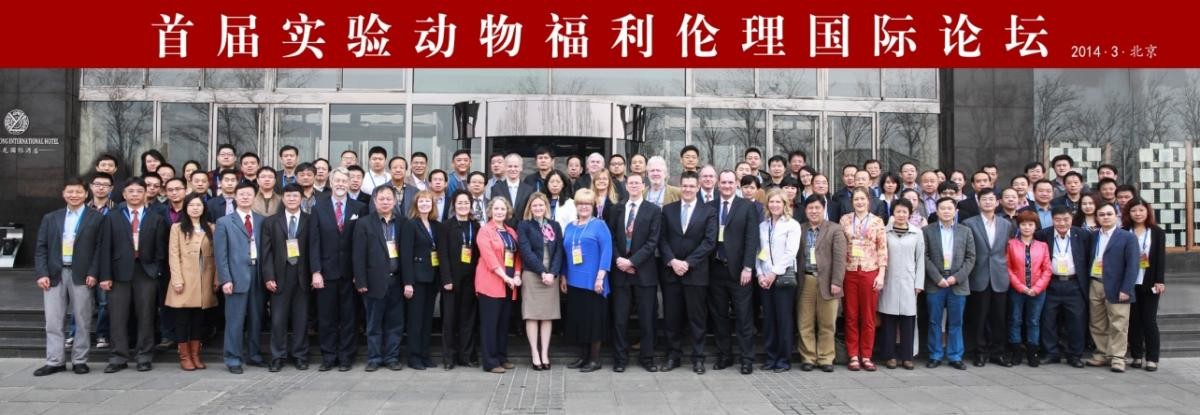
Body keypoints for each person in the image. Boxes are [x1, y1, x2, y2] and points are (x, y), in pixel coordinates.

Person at [33, 178, 104, 376]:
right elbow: (41, 248)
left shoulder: (96, 218)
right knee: (53, 321)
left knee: (82, 319)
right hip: (55, 274)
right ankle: (55, 361)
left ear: (86, 194)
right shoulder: (51, 218)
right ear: (63, 194)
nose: (74, 195)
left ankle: (80, 360)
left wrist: (93, 272)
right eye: (70, 192)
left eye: (78, 192)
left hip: (82, 274)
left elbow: (99, 249)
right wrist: (42, 273)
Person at [99, 178, 168, 373]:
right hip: (119, 272)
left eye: (139, 191)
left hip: (146, 272)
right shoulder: (112, 216)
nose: (135, 194)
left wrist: (156, 270)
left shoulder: (156, 217)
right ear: (124, 194)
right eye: (131, 191)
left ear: (146, 193)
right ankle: (118, 357)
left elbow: (161, 249)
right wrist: (105, 275)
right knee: (118, 316)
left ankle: (144, 356)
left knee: (146, 315)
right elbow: (105, 248)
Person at [658, 171, 717, 374]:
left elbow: (709, 242)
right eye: (685, 186)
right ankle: (672, 356)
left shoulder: (708, 211)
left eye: (692, 186)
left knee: (697, 319)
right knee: (671, 319)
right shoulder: (668, 210)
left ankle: (698, 358)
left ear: (698, 187)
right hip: (671, 273)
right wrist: (673, 261)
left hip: (696, 273)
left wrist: (688, 263)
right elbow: (661, 239)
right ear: (680, 186)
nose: (688, 189)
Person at [309, 167, 367, 371]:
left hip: (351, 273)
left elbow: (362, 243)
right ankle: (328, 356)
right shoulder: (319, 207)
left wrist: (360, 274)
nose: (341, 184)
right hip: (326, 272)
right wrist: (316, 271)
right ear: (330, 183)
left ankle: (346, 357)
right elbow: (313, 242)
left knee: (349, 317)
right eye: (337, 181)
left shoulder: (359, 208)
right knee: (326, 317)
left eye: (345, 180)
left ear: (350, 182)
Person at [607, 174, 662, 373]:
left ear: (644, 186)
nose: (634, 186)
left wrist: (632, 261)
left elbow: (652, 241)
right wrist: (620, 261)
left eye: (637, 183)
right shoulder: (617, 209)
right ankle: (620, 358)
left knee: (647, 318)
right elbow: (610, 238)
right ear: (626, 186)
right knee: (620, 319)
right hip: (621, 272)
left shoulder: (654, 210)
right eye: (630, 183)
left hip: (644, 273)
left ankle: (647, 357)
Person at [708, 170, 760, 374]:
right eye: (724, 182)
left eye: (731, 182)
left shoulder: (746, 206)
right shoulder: (709, 206)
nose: (727, 186)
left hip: (739, 271)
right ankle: (724, 356)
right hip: (715, 269)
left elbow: (751, 238)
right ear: (718, 185)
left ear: (736, 184)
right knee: (719, 316)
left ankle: (747, 358)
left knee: (743, 316)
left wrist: (748, 267)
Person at [352, 186, 407, 372]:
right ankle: (374, 358)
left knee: (395, 323)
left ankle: (391, 357)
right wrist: (360, 281)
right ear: (374, 201)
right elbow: (358, 255)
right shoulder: (364, 223)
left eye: (388, 199)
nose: (385, 202)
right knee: (373, 323)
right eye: (381, 199)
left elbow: (406, 255)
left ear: (394, 201)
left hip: (397, 281)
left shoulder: (402, 222)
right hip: (373, 281)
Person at [213, 182, 266, 374]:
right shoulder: (224, 222)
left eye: (249, 194)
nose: (245, 197)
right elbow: (221, 254)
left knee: (256, 318)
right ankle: (233, 358)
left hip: (258, 275)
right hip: (235, 277)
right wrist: (225, 279)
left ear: (254, 197)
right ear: (235, 197)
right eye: (241, 194)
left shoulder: (261, 220)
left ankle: (254, 354)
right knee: (235, 320)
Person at [562, 189, 613, 373]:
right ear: (576, 205)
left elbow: (607, 251)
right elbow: (565, 253)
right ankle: (582, 357)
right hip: (574, 281)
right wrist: (563, 275)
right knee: (579, 320)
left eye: (587, 204)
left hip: (594, 282)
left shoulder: (600, 225)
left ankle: (594, 359)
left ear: (593, 206)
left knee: (594, 321)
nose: (584, 207)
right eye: (580, 203)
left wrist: (601, 277)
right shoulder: (570, 227)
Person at [165, 193, 218, 371]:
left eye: (199, 205)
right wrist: (177, 280)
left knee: (198, 320)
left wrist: (216, 279)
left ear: (204, 208)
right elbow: (173, 255)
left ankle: (196, 355)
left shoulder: (211, 227)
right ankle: (185, 356)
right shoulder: (177, 228)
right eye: (191, 205)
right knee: (182, 319)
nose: (195, 208)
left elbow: (216, 256)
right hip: (184, 279)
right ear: (186, 208)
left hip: (205, 279)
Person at [261, 184, 311, 372]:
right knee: (278, 319)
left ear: (301, 198)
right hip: (279, 276)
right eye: (288, 196)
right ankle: (277, 356)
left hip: (302, 275)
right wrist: (268, 276)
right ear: (283, 199)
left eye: (295, 196)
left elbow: (313, 249)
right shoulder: (271, 222)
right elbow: (266, 252)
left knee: (301, 318)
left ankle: (300, 355)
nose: (291, 199)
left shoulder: (309, 220)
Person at [1034, 206, 1092, 368]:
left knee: (1076, 321)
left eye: (1065, 219)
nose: (1062, 223)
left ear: (1071, 219)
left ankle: (1075, 355)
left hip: (1074, 283)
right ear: (1052, 220)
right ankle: (1051, 353)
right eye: (1058, 220)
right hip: (1051, 283)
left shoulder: (1082, 235)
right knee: (1048, 320)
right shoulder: (1042, 235)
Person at [923, 197, 976, 370]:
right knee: (934, 321)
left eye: (949, 208)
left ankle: (955, 356)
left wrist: (956, 278)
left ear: (956, 211)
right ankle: (935, 354)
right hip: (935, 282)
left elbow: (971, 257)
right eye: (942, 208)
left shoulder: (965, 231)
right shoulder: (927, 231)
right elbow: (924, 256)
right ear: (936, 211)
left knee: (956, 321)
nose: (946, 211)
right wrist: (937, 277)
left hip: (957, 283)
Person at [962, 188, 1013, 367]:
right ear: (978, 202)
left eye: (991, 199)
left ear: (997, 202)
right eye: (984, 199)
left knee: (999, 317)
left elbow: (1009, 250)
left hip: (1000, 275)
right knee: (979, 317)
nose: (988, 202)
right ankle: (980, 352)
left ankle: (998, 352)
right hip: (978, 274)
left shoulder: (1006, 224)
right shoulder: (969, 223)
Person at [794, 195, 846, 373]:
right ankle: (808, 357)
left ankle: (825, 357)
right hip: (806, 280)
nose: (814, 211)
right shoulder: (800, 229)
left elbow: (840, 258)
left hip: (828, 281)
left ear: (823, 209)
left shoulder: (835, 229)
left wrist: (837, 281)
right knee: (805, 321)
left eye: (817, 208)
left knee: (827, 322)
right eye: (810, 208)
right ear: (806, 211)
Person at [1086, 203, 1140, 373]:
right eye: (1101, 214)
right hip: (1096, 283)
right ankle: (1102, 353)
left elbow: (1133, 265)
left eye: (1109, 214)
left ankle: (1117, 357)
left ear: (1116, 216)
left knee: (1119, 323)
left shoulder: (1127, 237)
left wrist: (1126, 288)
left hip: (1118, 286)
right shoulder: (1093, 236)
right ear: (1097, 217)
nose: (1105, 217)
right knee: (1097, 322)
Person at [839, 187, 888, 371]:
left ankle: (866, 355)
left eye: (862, 199)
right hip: (849, 270)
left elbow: (882, 249)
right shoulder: (845, 220)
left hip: (870, 270)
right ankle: (853, 355)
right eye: (856, 199)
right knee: (851, 315)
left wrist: (881, 274)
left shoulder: (877, 221)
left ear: (868, 201)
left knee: (868, 316)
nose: (859, 202)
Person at [517, 193, 564, 371]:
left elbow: (559, 250)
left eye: (541, 205)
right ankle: (534, 354)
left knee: (547, 315)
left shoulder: (555, 225)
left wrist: (552, 273)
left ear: (546, 207)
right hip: (532, 274)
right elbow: (525, 251)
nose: (538, 208)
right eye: (534, 206)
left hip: (551, 276)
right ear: (530, 207)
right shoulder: (524, 225)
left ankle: (545, 353)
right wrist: (542, 272)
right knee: (532, 314)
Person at [755, 189, 801, 373]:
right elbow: (758, 252)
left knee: (783, 319)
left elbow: (791, 253)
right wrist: (760, 274)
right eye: (771, 202)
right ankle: (771, 357)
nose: (774, 205)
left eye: (778, 202)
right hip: (765, 279)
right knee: (769, 319)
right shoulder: (763, 226)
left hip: (782, 278)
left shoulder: (792, 224)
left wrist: (774, 273)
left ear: (784, 204)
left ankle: (783, 359)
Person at [476, 197, 521, 373]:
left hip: (509, 284)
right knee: (490, 324)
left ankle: (502, 356)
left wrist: (516, 275)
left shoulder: (511, 231)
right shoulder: (485, 231)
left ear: (507, 211)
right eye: (496, 209)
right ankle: (490, 361)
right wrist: (506, 277)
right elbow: (489, 258)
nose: (500, 212)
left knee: (503, 323)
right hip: (491, 282)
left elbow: (517, 256)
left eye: (503, 209)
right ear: (490, 211)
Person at [437, 191, 481, 369]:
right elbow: (442, 254)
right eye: (459, 203)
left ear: (471, 205)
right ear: (454, 205)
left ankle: (466, 356)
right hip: (451, 280)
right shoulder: (445, 226)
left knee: (467, 319)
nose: (463, 206)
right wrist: (446, 278)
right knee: (449, 320)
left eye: (466, 203)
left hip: (471, 280)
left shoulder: (476, 226)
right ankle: (449, 358)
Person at [878, 200, 924, 370]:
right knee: (888, 319)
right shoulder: (884, 232)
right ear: (893, 213)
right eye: (898, 211)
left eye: (905, 212)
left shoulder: (917, 233)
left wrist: (918, 283)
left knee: (908, 319)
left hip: (909, 281)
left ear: (910, 214)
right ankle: (889, 355)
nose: (901, 215)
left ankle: (907, 356)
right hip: (889, 279)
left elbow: (920, 259)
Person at [399, 190, 441, 370]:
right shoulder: (410, 225)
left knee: (426, 319)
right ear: (416, 204)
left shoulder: (436, 225)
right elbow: (406, 255)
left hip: (432, 278)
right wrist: (407, 282)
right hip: (416, 278)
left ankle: (425, 354)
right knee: (415, 320)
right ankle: (414, 356)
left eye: (428, 201)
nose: (425, 204)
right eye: (421, 201)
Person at [1006, 210, 1052, 367]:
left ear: (1035, 226)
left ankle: (1033, 353)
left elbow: (1047, 269)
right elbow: (1008, 268)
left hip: (1038, 290)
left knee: (1033, 321)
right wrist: (1021, 287)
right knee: (1015, 320)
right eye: (1023, 224)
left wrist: (1037, 288)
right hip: (1017, 289)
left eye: (1030, 224)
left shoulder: (1043, 246)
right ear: (1019, 226)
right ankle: (1016, 352)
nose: (1027, 227)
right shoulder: (1011, 244)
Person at [1124, 198, 1165, 372]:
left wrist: (1160, 280)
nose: (1138, 214)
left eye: (1141, 210)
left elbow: (1160, 258)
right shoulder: (1124, 231)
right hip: (1130, 282)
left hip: (1149, 282)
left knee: (1149, 320)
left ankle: (1152, 358)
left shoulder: (1156, 232)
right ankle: (1136, 355)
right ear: (1129, 213)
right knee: (1134, 321)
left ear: (1147, 211)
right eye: (1134, 211)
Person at [490, 153, 537, 227]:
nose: (513, 169)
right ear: (505, 168)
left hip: (524, 231)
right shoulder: (496, 188)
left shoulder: (529, 190)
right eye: (510, 166)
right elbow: (492, 212)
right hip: (502, 230)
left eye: (516, 166)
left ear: (521, 168)